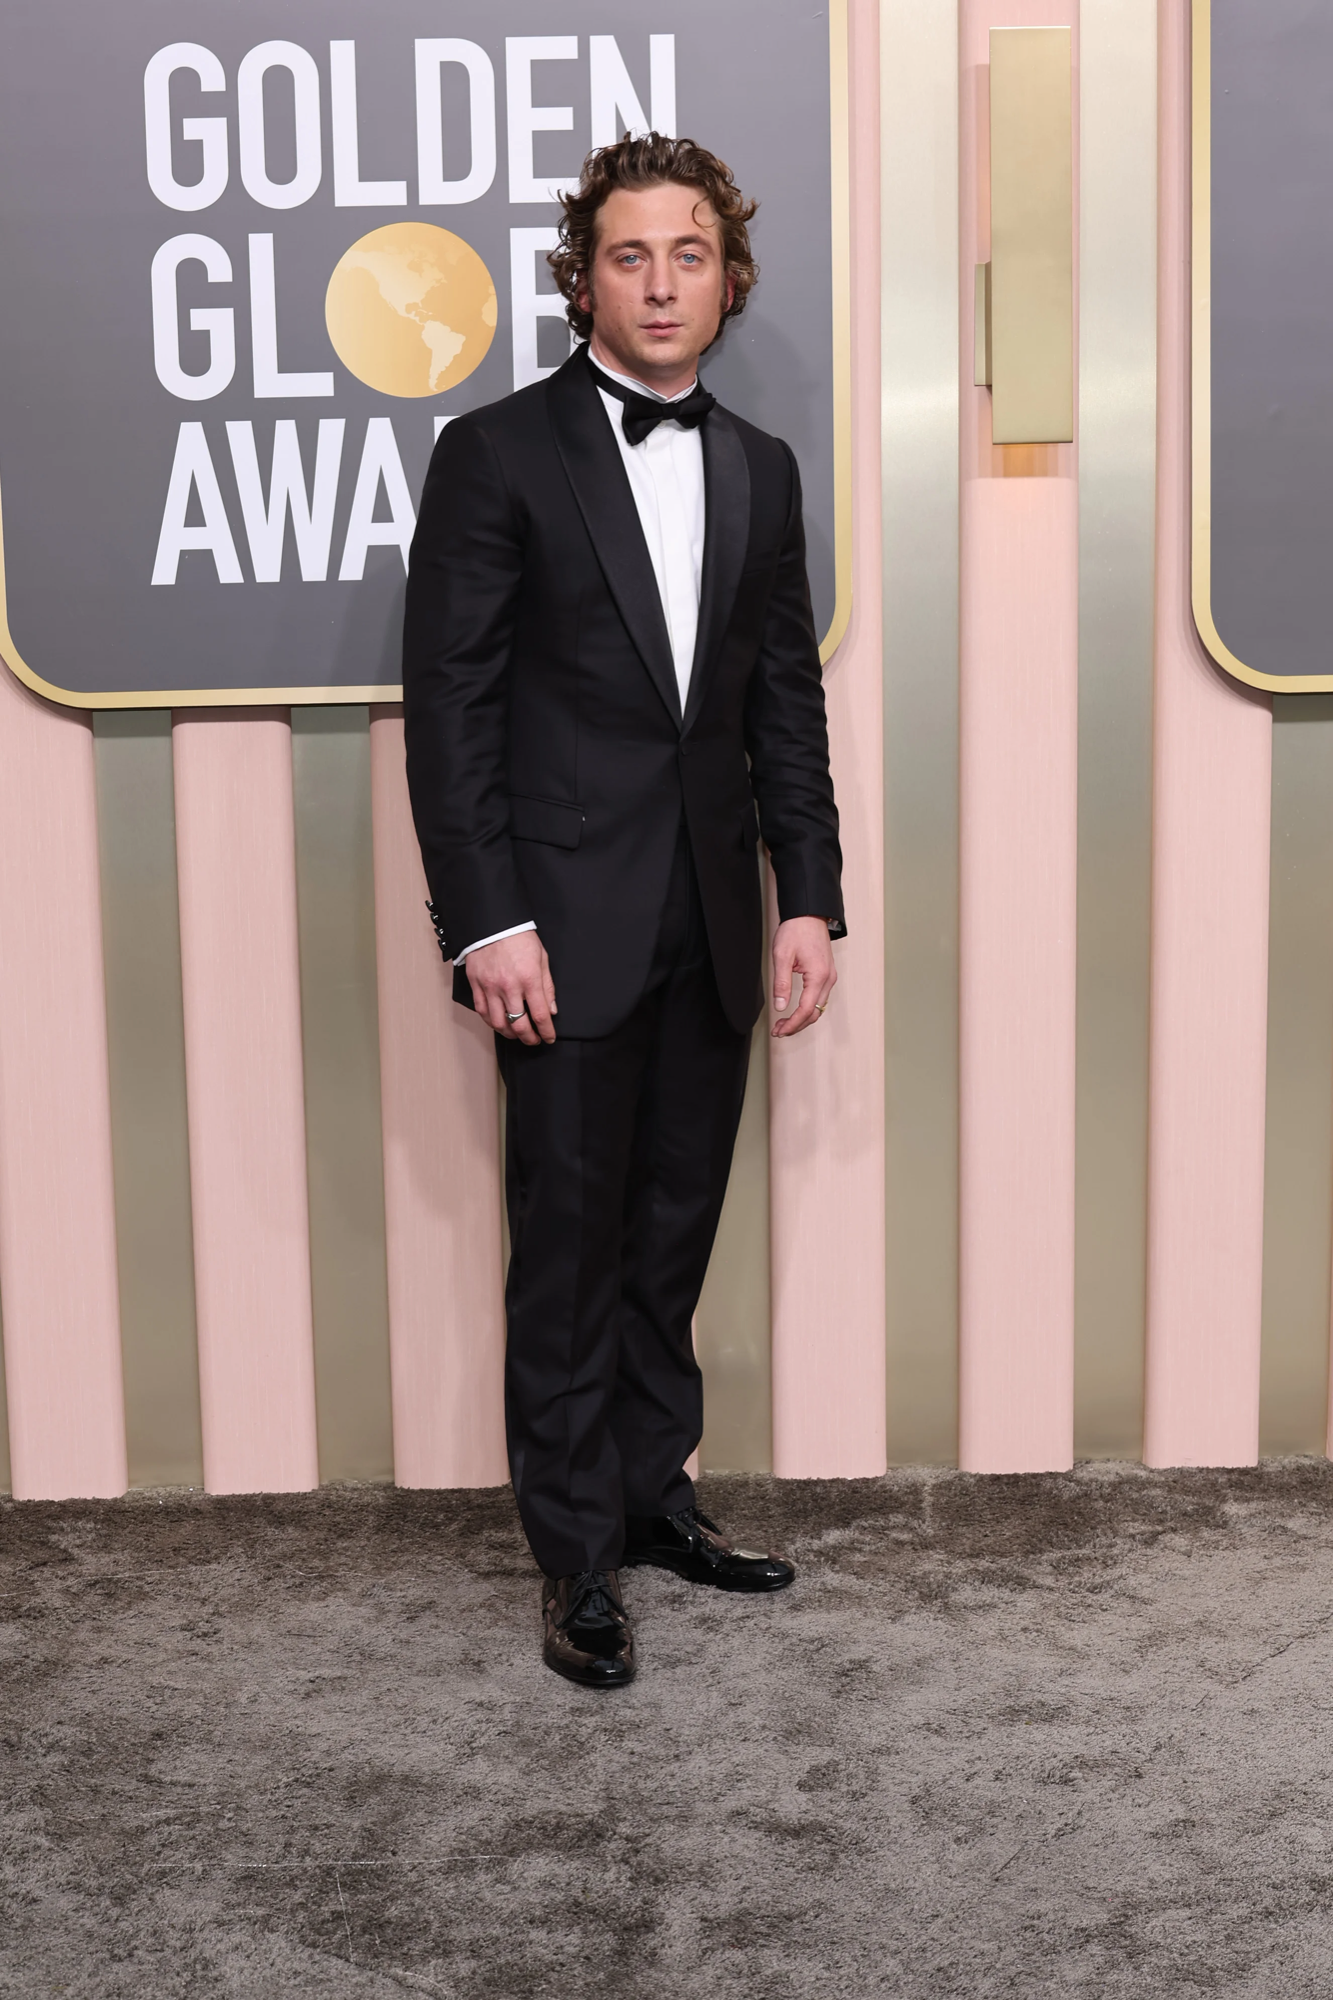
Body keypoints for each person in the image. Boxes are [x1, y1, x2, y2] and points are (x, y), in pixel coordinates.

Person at [403, 134, 844, 1688]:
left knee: (671, 1234)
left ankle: (655, 1498)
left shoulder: (762, 469)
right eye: (631, 256)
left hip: (712, 917)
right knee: (569, 1250)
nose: (662, 284)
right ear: (583, 281)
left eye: (690, 255)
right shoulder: (496, 454)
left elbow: (782, 705)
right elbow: (451, 711)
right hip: (558, 925)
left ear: (728, 280)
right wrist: (486, 921)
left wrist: (810, 900)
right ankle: (576, 1554)